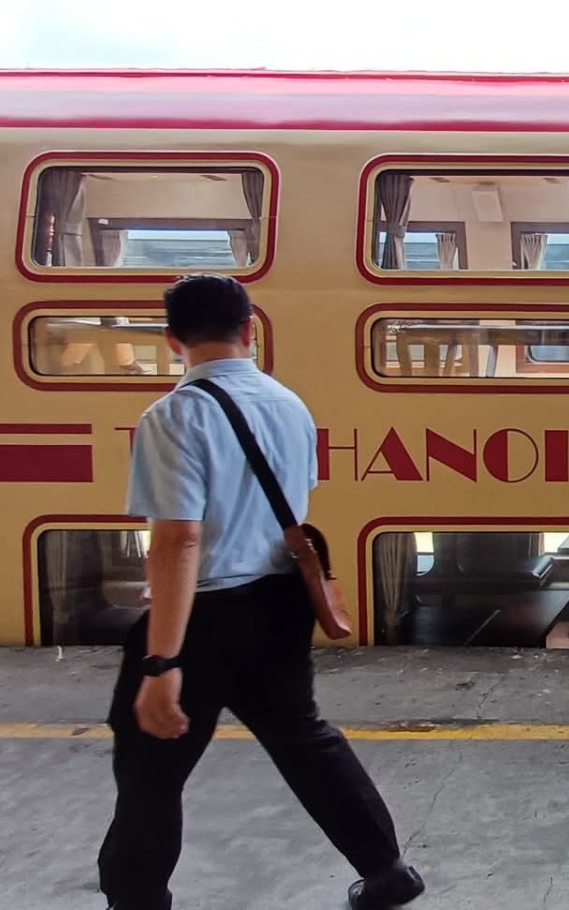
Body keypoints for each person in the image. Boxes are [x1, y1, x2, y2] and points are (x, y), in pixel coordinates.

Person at [99, 274, 426, 910]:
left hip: (203, 616)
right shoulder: (288, 404)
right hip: (278, 603)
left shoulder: (172, 416)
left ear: (173, 341)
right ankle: (387, 871)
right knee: (304, 740)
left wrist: (162, 662)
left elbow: (178, 543)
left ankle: (135, 901)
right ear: (250, 329)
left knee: (150, 772)